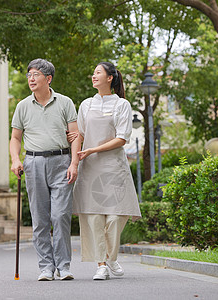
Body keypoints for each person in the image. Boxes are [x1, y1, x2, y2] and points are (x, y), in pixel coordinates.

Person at [10, 58, 81, 281]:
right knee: (40, 218)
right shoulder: (22, 106)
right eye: (29, 74)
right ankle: (46, 267)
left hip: (61, 162)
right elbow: (15, 138)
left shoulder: (65, 102)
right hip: (33, 163)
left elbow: (75, 134)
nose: (31, 79)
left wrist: (74, 163)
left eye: (36, 75)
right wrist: (15, 159)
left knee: (60, 216)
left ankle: (64, 265)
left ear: (48, 79)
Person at [69, 62, 141, 280]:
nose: (93, 76)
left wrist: (93, 149)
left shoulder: (122, 105)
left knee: (115, 216)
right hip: (89, 166)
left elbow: (122, 138)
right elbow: (78, 135)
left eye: (98, 73)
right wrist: (75, 160)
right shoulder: (86, 105)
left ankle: (111, 256)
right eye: (93, 73)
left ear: (110, 78)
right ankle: (101, 264)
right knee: (93, 217)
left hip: (113, 167)